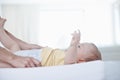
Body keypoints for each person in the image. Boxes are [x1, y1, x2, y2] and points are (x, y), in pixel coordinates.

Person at [0, 17, 102, 67]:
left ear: (81, 61)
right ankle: (1, 31)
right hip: (36, 53)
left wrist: (74, 44)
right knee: (14, 45)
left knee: (13, 48)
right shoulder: (64, 54)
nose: (76, 47)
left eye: (79, 47)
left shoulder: (71, 64)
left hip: (34, 59)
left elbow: (69, 59)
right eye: (78, 45)